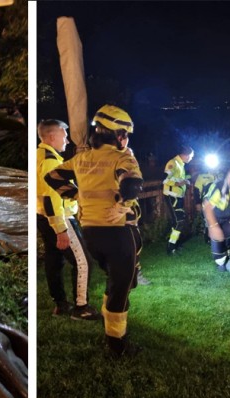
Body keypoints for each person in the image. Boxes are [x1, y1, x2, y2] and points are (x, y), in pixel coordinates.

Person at [45, 104, 144, 357]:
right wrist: (123, 204)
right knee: (120, 290)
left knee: (115, 281)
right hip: (118, 234)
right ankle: (117, 345)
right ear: (118, 134)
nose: (127, 139)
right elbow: (133, 184)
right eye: (126, 134)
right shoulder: (122, 157)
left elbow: (53, 177)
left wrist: (77, 194)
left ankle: (109, 322)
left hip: (91, 234)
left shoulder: (81, 158)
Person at [36, 119, 101, 320]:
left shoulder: (39, 155)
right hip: (60, 218)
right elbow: (51, 197)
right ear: (52, 136)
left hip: (43, 217)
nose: (67, 139)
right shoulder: (50, 161)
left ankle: (60, 304)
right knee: (83, 262)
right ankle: (81, 307)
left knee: (54, 260)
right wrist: (60, 229)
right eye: (64, 135)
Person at [119, 136, 150, 286]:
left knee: (134, 243)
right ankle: (132, 276)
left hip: (130, 206)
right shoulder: (118, 158)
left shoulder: (127, 154)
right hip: (124, 207)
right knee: (131, 244)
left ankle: (133, 275)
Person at [163, 146, 194, 255]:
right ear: (186, 155)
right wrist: (180, 183)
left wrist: (187, 178)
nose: (191, 159)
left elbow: (179, 179)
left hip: (177, 196)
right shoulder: (173, 163)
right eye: (191, 157)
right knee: (179, 222)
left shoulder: (181, 164)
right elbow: (165, 179)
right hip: (171, 196)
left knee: (178, 221)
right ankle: (171, 247)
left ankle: (174, 244)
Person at [193, 170, 217, 243]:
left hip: (217, 202)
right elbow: (196, 190)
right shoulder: (202, 176)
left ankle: (216, 237)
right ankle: (208, 238)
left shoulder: (218, 176)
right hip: (206, 202)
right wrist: (198, 203)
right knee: (208, 220)